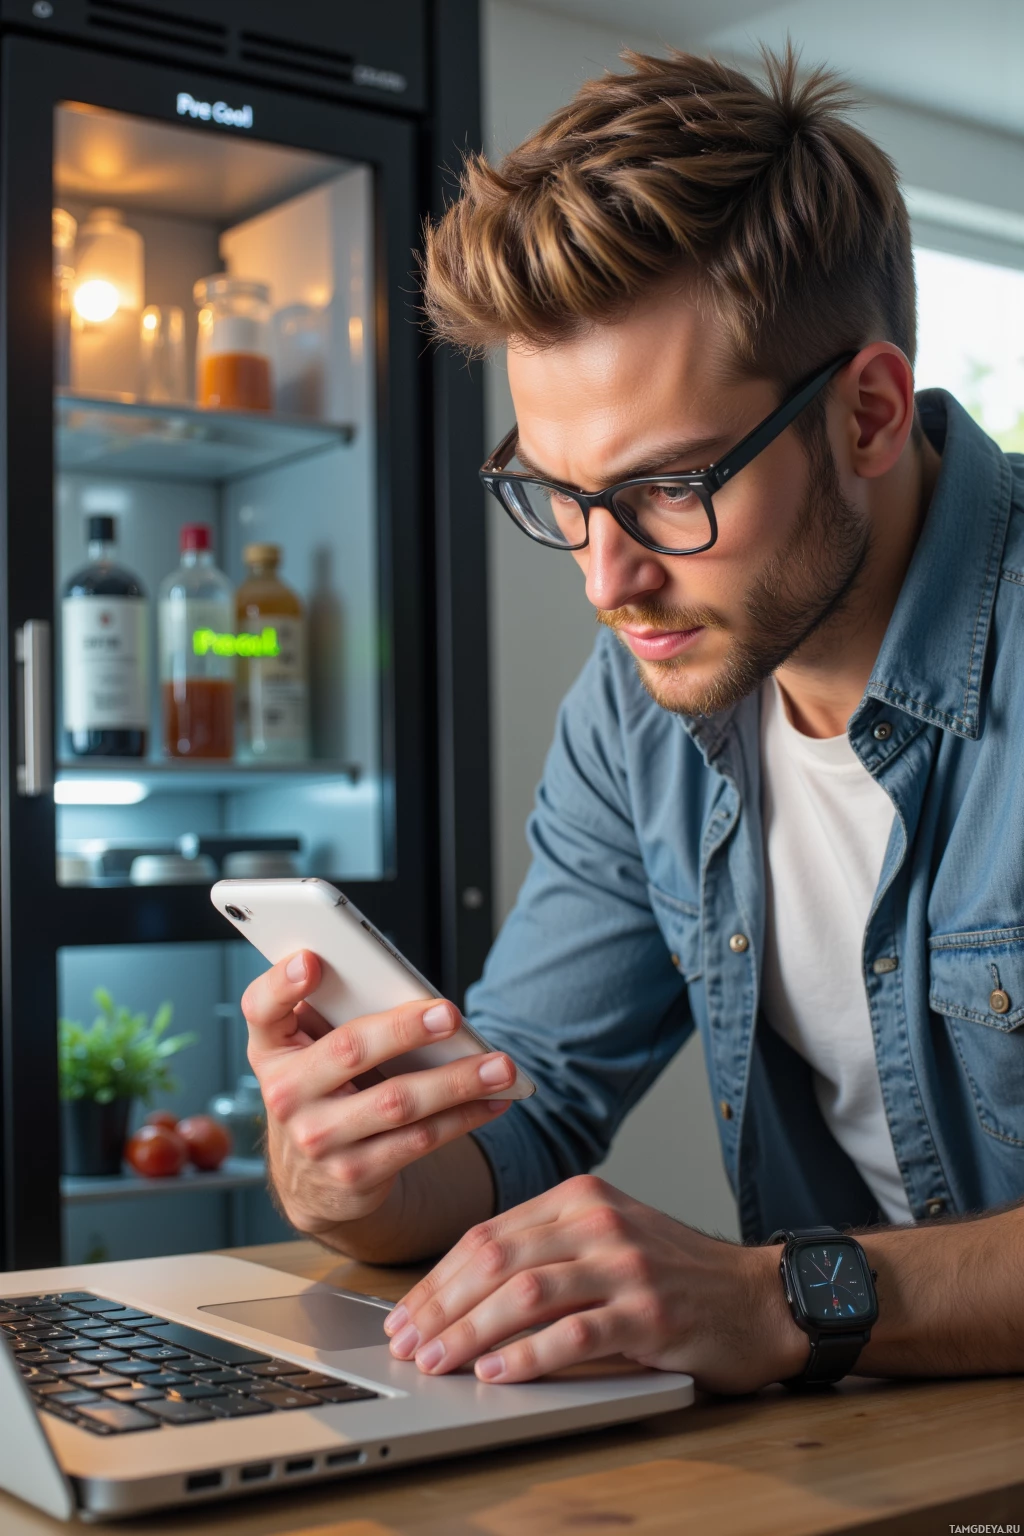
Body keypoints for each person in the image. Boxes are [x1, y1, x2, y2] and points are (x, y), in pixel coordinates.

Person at [241, 47, 1024, 1394]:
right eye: (558, 493)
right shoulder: (644, 706)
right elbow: (522, 1104)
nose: (607, 580)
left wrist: (784, 1295)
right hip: (881, 1452)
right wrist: (350, 1172)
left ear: (872, 413)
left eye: (669, 489)